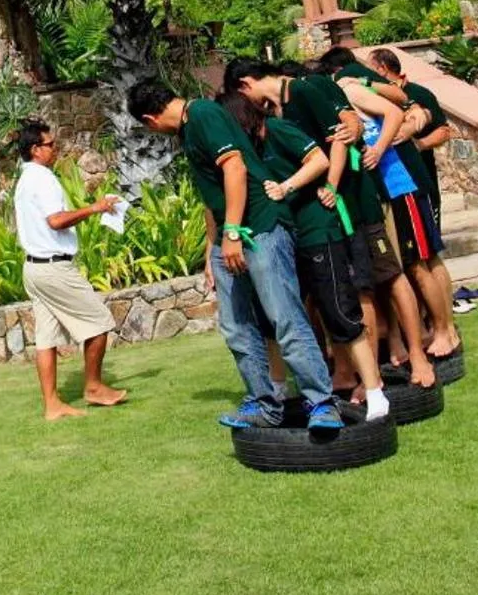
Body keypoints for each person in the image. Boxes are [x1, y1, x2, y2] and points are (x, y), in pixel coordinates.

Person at [127, 79, 342, 434]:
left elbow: (235, 169)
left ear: (150, 119)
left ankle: (321, 402)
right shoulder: (188, 128)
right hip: (232, 235)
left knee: (284, 317)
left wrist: (231, 234)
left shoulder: (203, 115)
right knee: (236, 325)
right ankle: (263, 403)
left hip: (258, 227)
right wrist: (213, 251)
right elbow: (213, 194)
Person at [226, 56, 434, 390]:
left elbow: (340, 136)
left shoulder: (308, 89)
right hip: (330, 214)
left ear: (245, 84)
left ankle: (413, 357)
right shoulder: (278, 112)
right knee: (349, 290)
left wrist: (333, 184)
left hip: (355, 204)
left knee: (384, 279)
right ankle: (353, 372)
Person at [241, 96, 391, 421]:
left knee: (340, 311)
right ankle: (278, 388)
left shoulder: (278, 131)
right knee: (276, 318)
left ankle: (375, 389)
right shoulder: (245, 148)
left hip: (317, 232)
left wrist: (285, 187)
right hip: (284, 237)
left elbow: (320, 159)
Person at [11, 119, 128, 420]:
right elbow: (56, 220)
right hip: (53, 268)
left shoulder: (24, 180)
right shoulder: (42, 179)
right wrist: (95, 208)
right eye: (50, 144)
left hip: (34, 270)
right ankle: (93, 387)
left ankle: (52, 405)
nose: (56, 148)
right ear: (36, 149)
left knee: (46, 338)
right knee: (100, 323)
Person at [357, 49, 467, 350]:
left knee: (427, 257)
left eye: (369, 70)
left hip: (416, 184)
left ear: (381, 68)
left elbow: (443, 130)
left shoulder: (415, 94)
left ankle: (444, 327)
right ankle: (429, 324)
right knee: (418, 260)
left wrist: (413, 140)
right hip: (401, 189)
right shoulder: (383, 100)